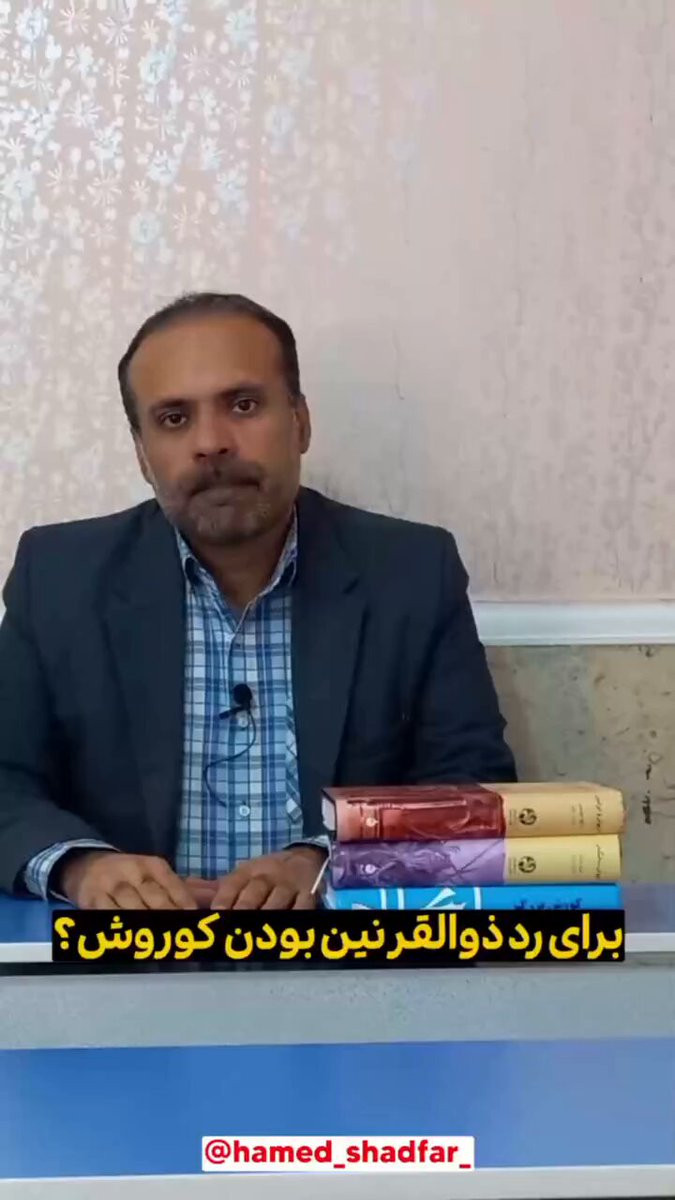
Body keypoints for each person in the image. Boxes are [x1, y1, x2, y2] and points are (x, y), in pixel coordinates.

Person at [0, 292, 516, 911]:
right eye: (173, 419)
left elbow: (470, 786)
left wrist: (332, 862)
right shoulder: (59, 577)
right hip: (133, 957)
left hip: (343, 952)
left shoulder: (411, 572)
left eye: (243, 405)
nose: (211, 443)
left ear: (300, 421)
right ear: (141, 453)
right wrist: (81, 866)